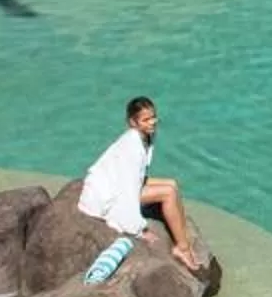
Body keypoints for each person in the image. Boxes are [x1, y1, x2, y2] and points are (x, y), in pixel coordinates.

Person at [76, 96, 203, 271]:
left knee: (172, 184)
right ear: (133, 123)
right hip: (107, 193)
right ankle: (181, 249)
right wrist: (139, 230)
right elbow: (126, 193)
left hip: (122, 180)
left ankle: (184, 239)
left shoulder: (145, 137)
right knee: (169, 193)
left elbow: (135, 175)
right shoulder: (132, 146)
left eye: (153, 117)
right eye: (146, 120)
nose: (152, 123)